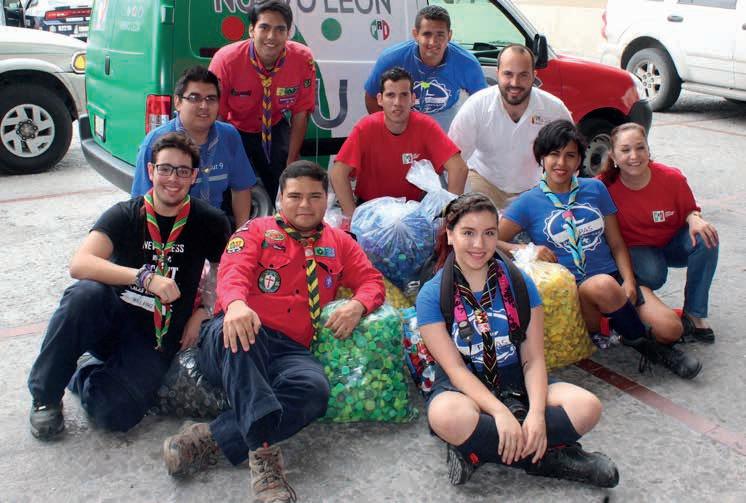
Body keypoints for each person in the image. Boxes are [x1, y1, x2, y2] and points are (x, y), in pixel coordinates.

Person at [161, 161, 385, 502]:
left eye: (314, 196)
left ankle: (210, 438)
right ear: (280, 198)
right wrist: (236, 305)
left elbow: (372, 281)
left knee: (314, 391)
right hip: (233, 333)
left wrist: (358, 305)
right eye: (295, 196)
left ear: (326, 199)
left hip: (289, 349)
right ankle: (265, 461)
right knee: (243, 338)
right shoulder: (255, 231)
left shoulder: (339, 242)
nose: (305, 205)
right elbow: (233, 273)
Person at [28, 132, 231, 439]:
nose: (173, 179)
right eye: (165, 169)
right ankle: (45, 397)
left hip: (157, 335)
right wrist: (144, 277)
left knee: (114, 414)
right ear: (151, 171)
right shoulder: (125, 214)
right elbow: (79, 263)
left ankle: (83, 371)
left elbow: (221, 274)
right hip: (112, 319)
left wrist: (203, 312)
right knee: (83, 295)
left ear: (194, 176)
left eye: (182, 171)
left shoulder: (211, 221)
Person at [416, 192, 619, 488]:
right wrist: (499, 412)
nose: (479, 244)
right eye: (468, 233)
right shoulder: (432, 295)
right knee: (446, 416)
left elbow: (533, 358)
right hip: (466, 385)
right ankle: (548, 457)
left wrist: (536, 414)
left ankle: (478, 450)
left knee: (587, 407)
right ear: (450, 235)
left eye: (489, 233)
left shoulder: (519, 283)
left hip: (517, 379)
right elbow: (456, 370)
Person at [498, 120, 702, 379]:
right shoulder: (528, 202)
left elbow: (616, 243)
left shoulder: (595, 189)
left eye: (570, 155)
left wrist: (629, 281)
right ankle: (651, 348)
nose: (561, 163)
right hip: (576, 294)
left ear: (579, 159)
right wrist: (526, 248)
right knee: (602, 285)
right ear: (541, 158)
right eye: (554, 154)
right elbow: (492, 239)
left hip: (614, 279)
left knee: (671, 329)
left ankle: (626, 330)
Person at [599, 122, 719, 342]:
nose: (634, 156)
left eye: (640, 147)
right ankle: (635, 299)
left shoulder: (671, 178)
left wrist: (694, 218)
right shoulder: (603, 186)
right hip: (636, 249)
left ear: (648, 150)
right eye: (625, 150)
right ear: (613, 157)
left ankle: (694, 314)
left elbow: (690, 210)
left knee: (706, 237)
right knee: (654, 273)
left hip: (670, 243)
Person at [209, 0, 316, 204]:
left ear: (288, 33)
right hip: (234, 128)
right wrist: (216, 156)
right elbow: (217, 115)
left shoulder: (302, 59)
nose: (271, 37)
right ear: (251, 30)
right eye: (264, 28)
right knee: (226, 185)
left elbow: (301, 113)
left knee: (287, 182)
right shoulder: (226, 60)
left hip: (274, 125)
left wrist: (291, 160)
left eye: (280, 30)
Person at [331, 67, 468, 218]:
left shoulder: (426, 126)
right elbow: (338, 174)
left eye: (404, 95)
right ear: (380, 99)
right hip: (370, 212)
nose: (397, 102)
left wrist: (450, 217)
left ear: (413, 98)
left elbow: (459, 168)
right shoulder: (366, 127)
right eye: (390, 95)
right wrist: (353, 218)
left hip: (412, 212)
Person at [131, 66, 257, 228]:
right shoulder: (155, 142)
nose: (204, 106)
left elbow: (241, 189)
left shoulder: (229, 136)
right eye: (194, 98)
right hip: (169, 230)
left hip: (215, 227)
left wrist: (241, 235)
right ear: (178, 102)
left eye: (211, 99)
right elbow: (141, 203)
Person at [448, 44, 572, 209]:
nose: (515, 83)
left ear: (534, 75)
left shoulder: (554, 109)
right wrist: (453, 209)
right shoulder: (476, 105)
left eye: (523, 75)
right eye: (508, 74)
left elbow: (571, 156)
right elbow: (453, 158)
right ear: (497, 73)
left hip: (533, 188)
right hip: (483, 182)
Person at [363, 5, 487, 131]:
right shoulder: (391, 59)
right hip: (405, 115)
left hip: (445, 115)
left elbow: (483, 101)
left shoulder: (467, 62)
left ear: (449, 35)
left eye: (440, 35)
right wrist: (389, 129)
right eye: (427, 34)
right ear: (416, 34)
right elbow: (371, 97)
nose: (433, 42)